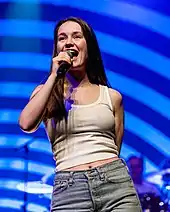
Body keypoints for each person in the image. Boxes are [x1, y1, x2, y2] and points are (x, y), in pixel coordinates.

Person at [19, 17, 142, 212]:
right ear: (57, 48)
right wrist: (54, 76)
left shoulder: (112, 97)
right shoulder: (46, 93)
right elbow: (26, 123)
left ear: (88, 46)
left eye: (77, 36)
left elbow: (115, 147)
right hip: (70, 190)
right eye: (62, 38)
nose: (69, 42)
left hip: (115, 184)